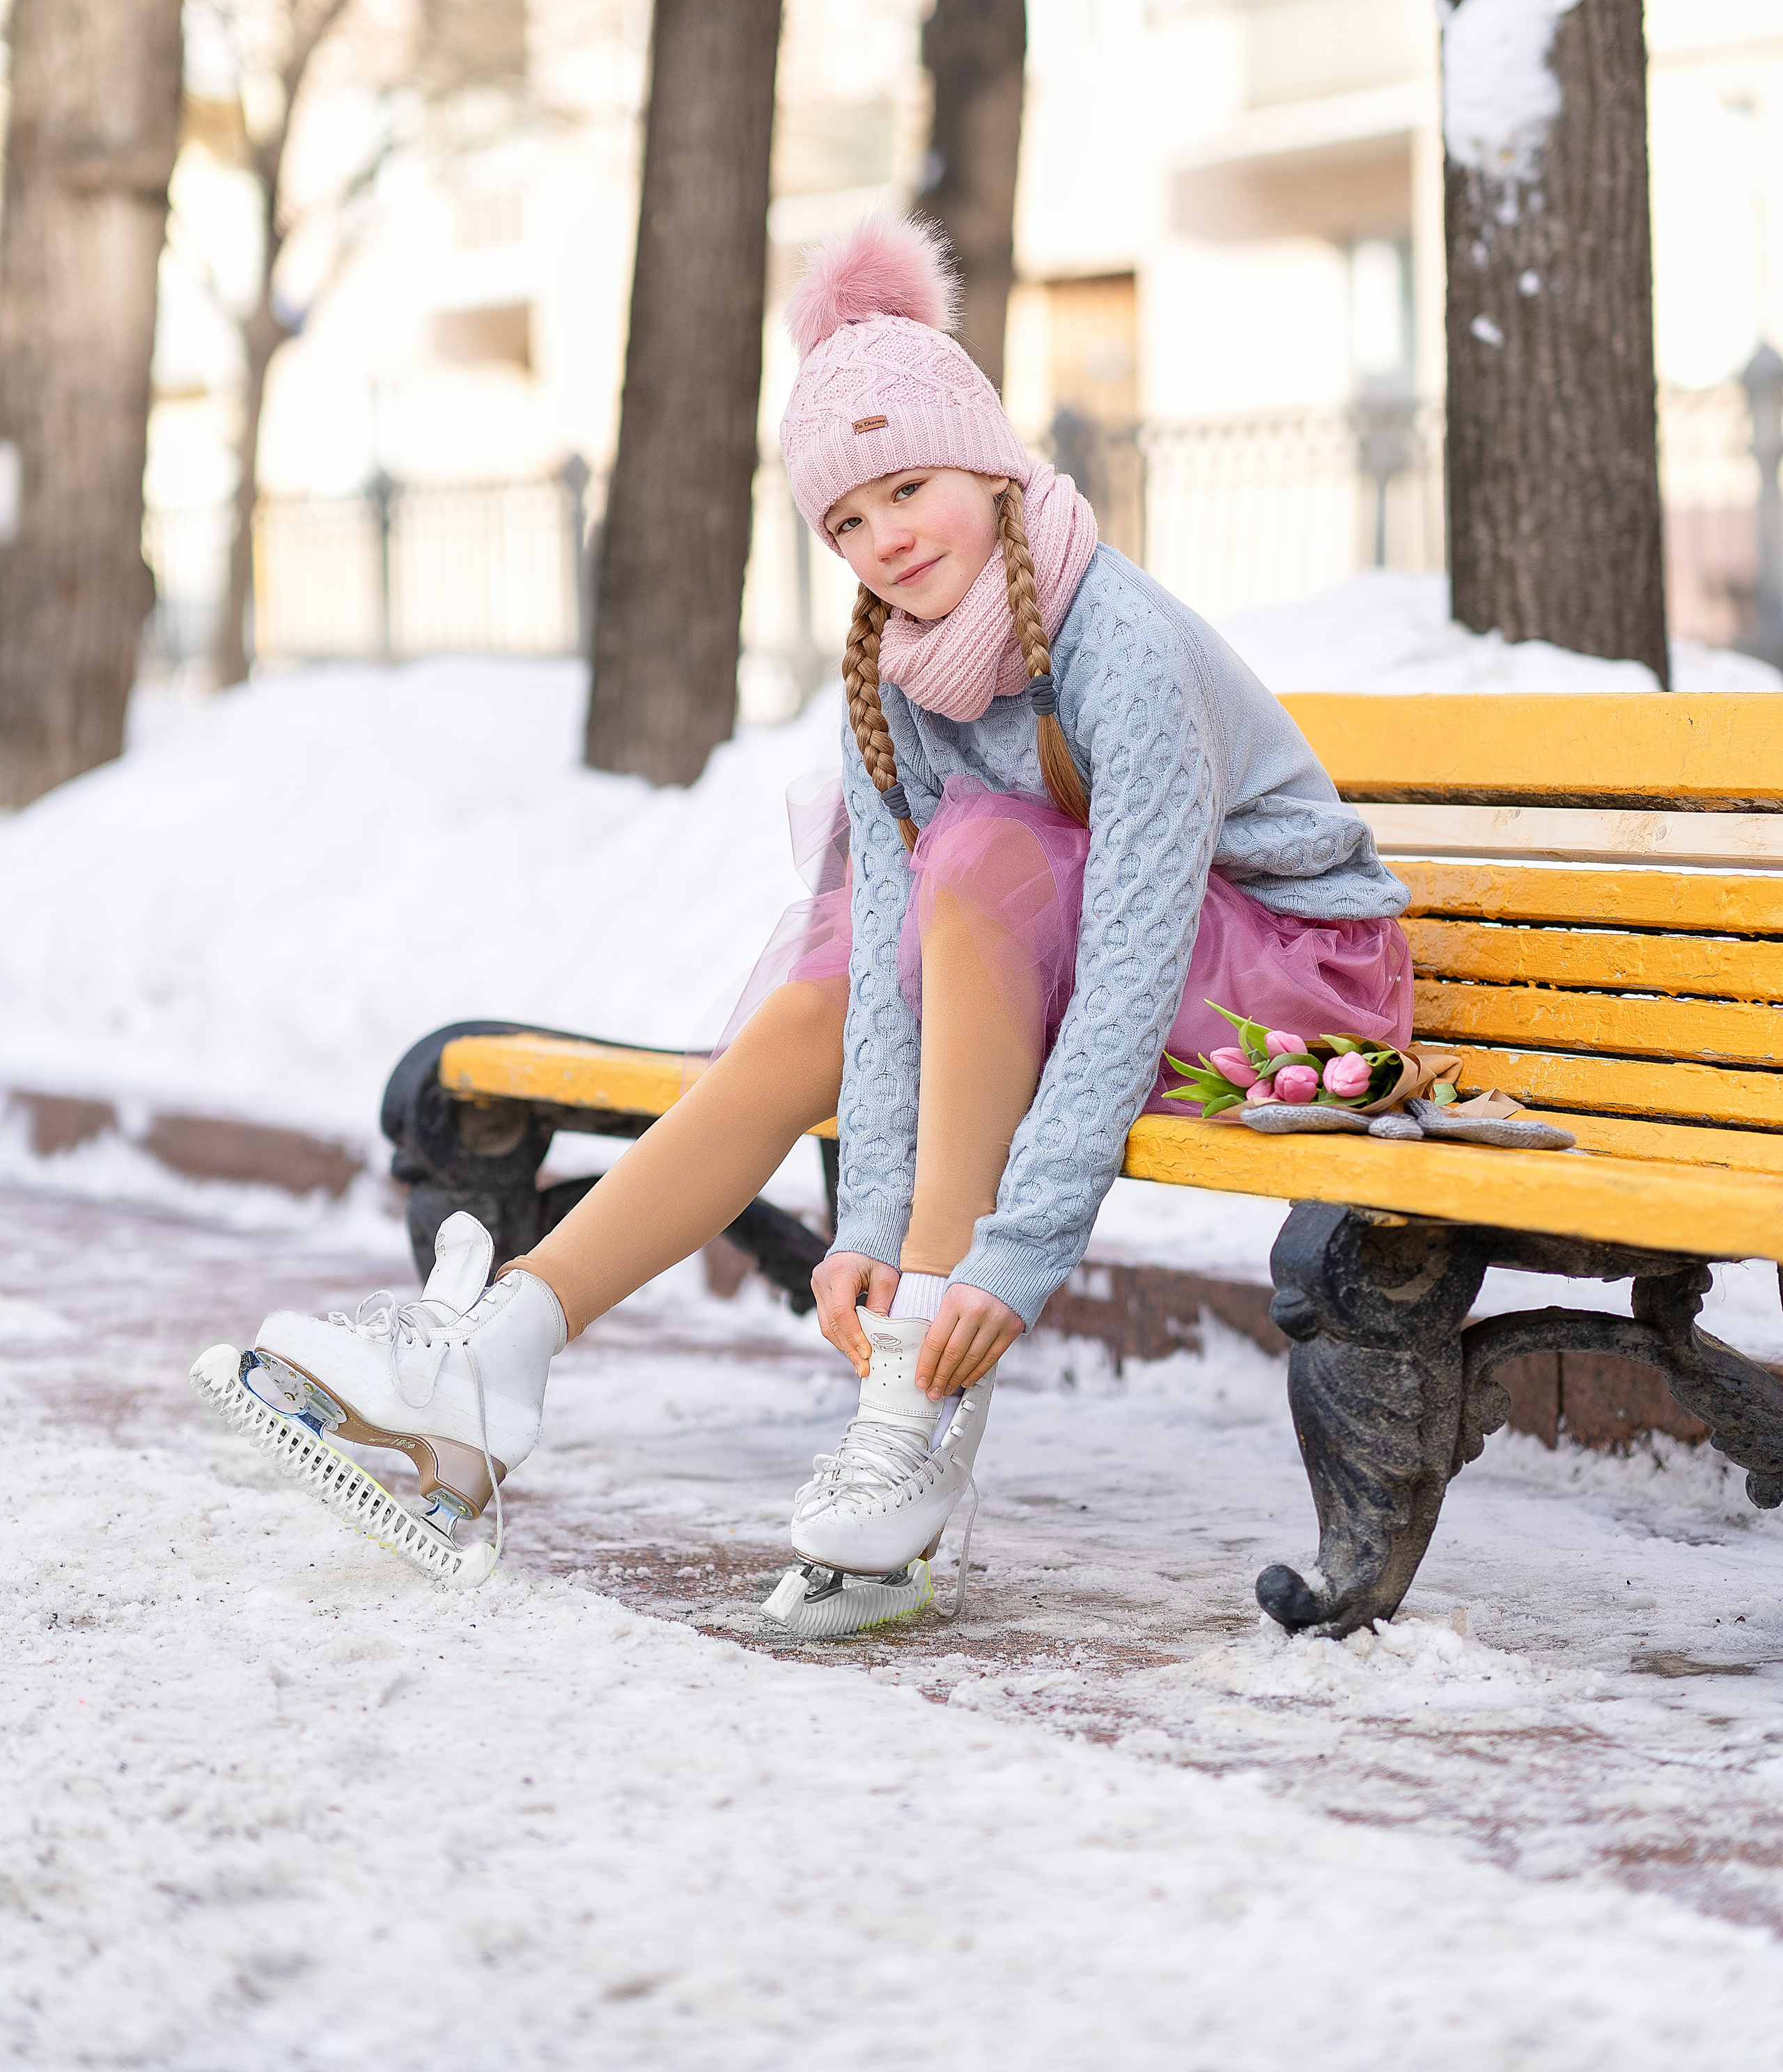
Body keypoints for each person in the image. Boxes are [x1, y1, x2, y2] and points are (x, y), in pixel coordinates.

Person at [210, 217, 1412, 1630]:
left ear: (989, 462)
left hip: (1275, 977)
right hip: (1057, 956)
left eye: (907, 488)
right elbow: (900, 992)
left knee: (968, 863)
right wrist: (876, 1229)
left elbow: (1134, 960)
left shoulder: (1119, 645)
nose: (885, 540)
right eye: (846, 520)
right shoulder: (893, 677)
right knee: (823, 989)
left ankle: (916, 1400)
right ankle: (504, 1352)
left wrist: (1000, 1268)